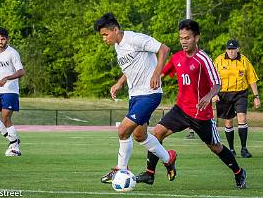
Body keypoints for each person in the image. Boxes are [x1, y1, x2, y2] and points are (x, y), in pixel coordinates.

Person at [136, 19, 247, 189]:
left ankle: (239, 172)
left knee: (215, 147)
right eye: (181, 38)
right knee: (157, 133)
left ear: (197, 38)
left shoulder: (203, 59)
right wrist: (153, 79)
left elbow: (217, 83)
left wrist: (208, 97)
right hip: (180, 109)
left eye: (187, 38)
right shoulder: (177, 57)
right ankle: (150, 174)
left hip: (201, 114)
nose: (183, 41)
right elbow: (162, 73)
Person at [94, 12, 177, 184]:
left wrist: (157, 74)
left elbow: (164, 49)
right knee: (140, 136)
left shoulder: (134, 39)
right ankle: (168, 159)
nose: (104, 39)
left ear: (115, 29)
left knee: (123, 130)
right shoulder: (119, 46)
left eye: (105, 34)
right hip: (135, 96)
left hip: (150, 93)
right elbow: (130, 67)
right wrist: (120, 82)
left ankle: (120, 169)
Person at [213, 39, 261, 158]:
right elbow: (211, 78)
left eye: (233, 49)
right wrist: (214, 93)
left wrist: (256, 96)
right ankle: (231, 149)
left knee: (242, 117)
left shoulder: (244, 61)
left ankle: (244, 149)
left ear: (238, 49)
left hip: (240, 93)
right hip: (223, 94)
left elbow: (252, 79)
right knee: (228, 121)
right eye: (229, 49)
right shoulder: (218, 60)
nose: (231, 52)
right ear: (226, 50)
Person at [0, 28, 26, 156]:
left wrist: (7, 78)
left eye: (3, 39)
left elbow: (21, 71)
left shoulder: (13, 53)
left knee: (5, 117)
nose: (0, 41)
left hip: (10, 91)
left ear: (7, 39)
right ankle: (13, 140)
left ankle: (15, 148)